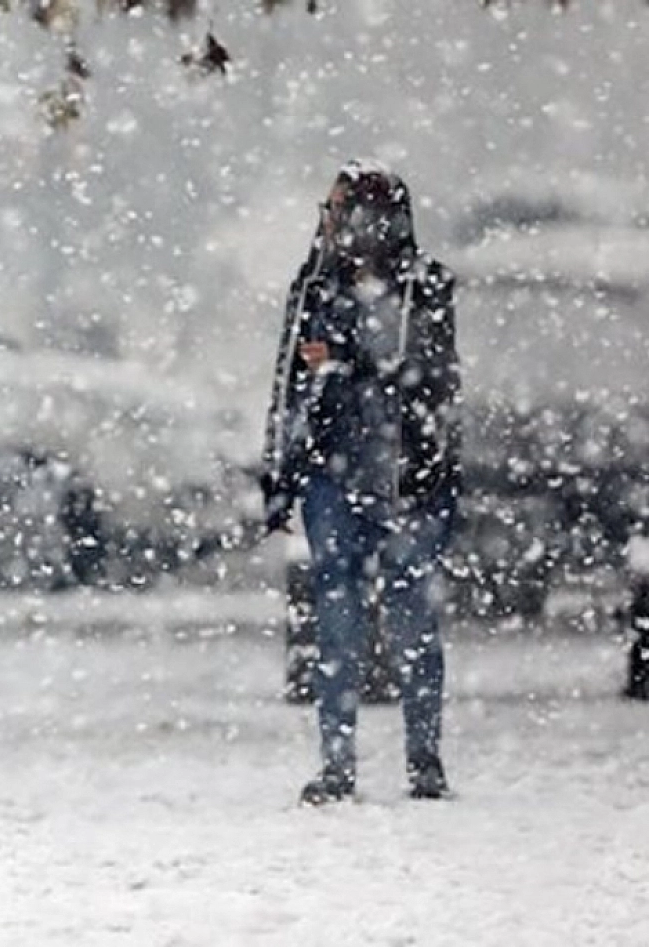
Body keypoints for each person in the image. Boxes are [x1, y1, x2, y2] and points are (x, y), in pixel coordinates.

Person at [261, 161, 462, 805]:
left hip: (409, 478)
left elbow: (425, 373)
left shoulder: (423, 286)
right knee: (338, 618)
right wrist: (281, 473)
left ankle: (422, 759)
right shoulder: (315, 286)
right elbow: (290, 382)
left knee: (410, 622)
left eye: (338, 210)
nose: (329, 223)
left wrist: (344, 363)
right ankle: (340, 763)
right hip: (333, 475)